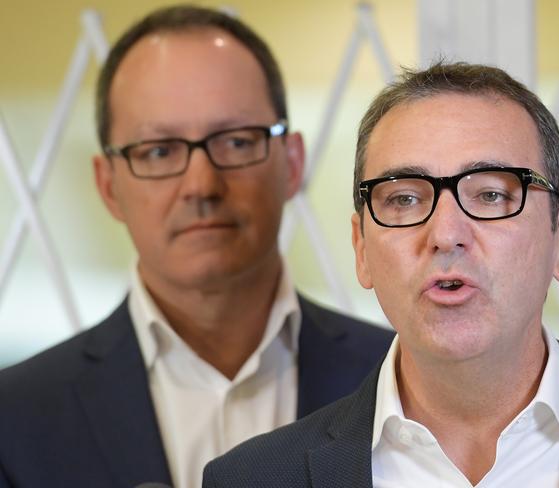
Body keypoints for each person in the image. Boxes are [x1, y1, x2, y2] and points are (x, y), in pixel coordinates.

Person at [202, 62, 559, 488]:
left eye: (491, 194)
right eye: (404, 200)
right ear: (361, 248)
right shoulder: (253, 478)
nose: (446, 234)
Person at [0, 5, 393, 488]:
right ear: (107, 186)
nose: (201, 185)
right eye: (159, 151)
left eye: (235, 142)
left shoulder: (401, 381)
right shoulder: (15, 419)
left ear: (292, 164)